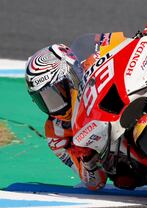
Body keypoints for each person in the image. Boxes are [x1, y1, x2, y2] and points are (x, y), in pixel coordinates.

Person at [25, 44, 107, 191]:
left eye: (54, 94)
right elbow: (94, 183)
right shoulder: (54, 134)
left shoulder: (92, 65)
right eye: (44, 99)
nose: (52, 105)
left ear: (70, 78)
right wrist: (87, 159)